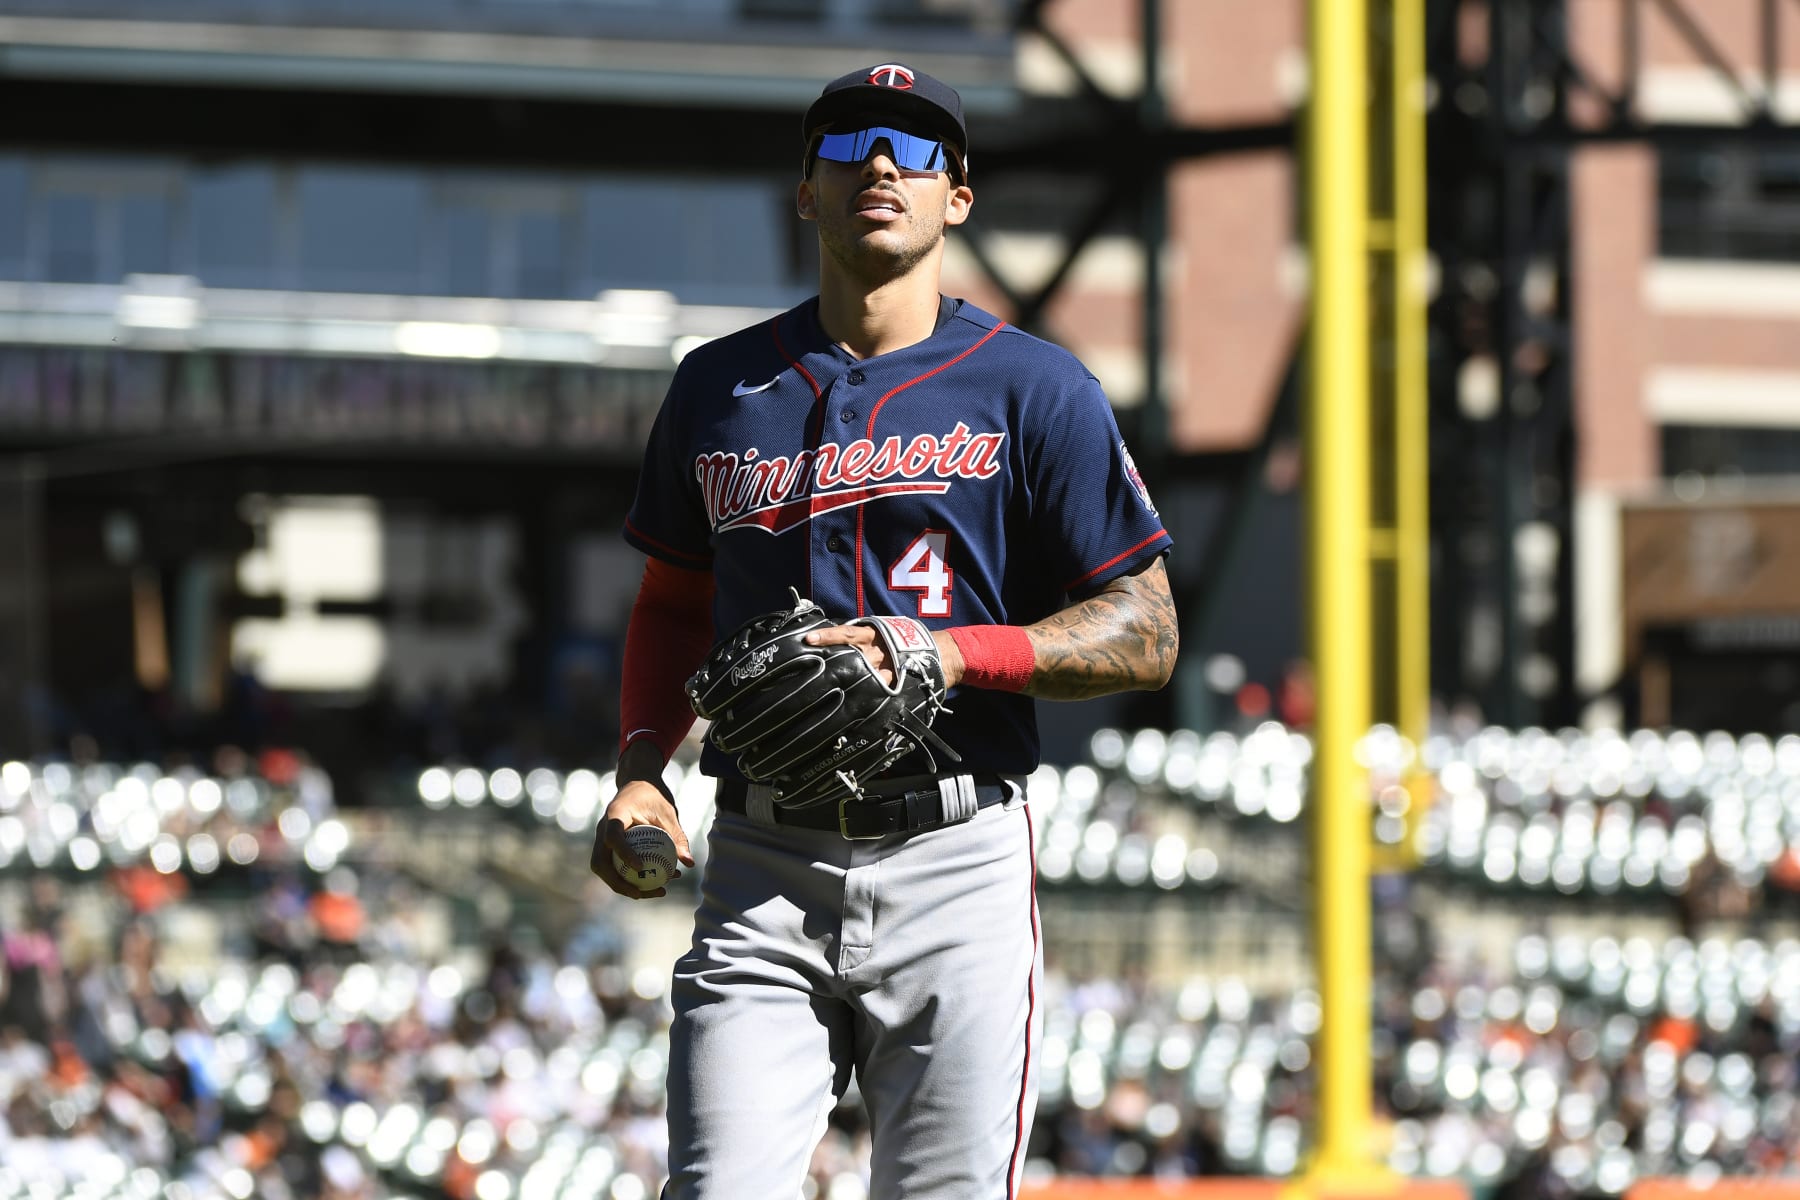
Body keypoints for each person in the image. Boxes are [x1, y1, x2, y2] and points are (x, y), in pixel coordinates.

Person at [590, 60, 1179, 1199]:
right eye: (849, 142)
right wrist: (641, 770)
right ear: (803, 191)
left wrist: (955, 650)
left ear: (957, 196)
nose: (879, 164)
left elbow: (1147, 632)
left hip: (957, 860)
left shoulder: (1035, 389)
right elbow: (669, 601)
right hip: (764, 861)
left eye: (914, 149)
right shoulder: (717, 386)